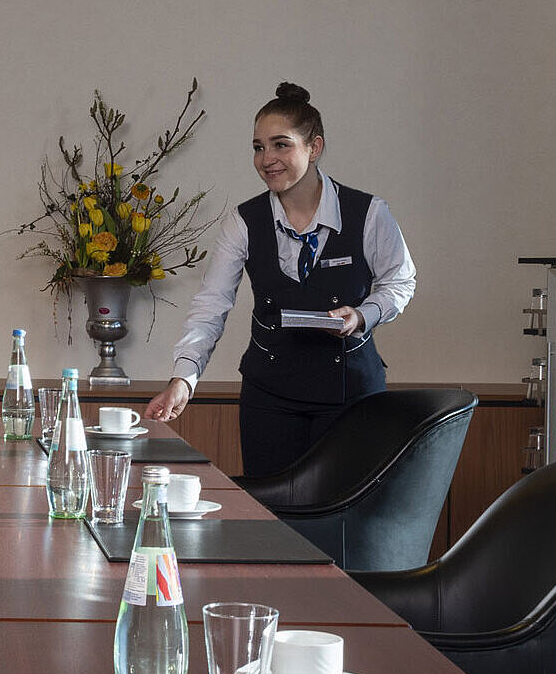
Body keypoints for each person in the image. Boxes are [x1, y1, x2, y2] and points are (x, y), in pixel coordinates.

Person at [143, 80, 418, 476]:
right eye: (259, 147)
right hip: (270, 398)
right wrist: (184, 378)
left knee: (343, 529)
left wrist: (362, 315)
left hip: (352, 395)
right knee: (274, 523)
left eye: (281, 144)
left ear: (314, 147)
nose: (266, 158)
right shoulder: (244, 222)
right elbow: (211, 304)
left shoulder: (369, 213)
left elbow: (401, 281)